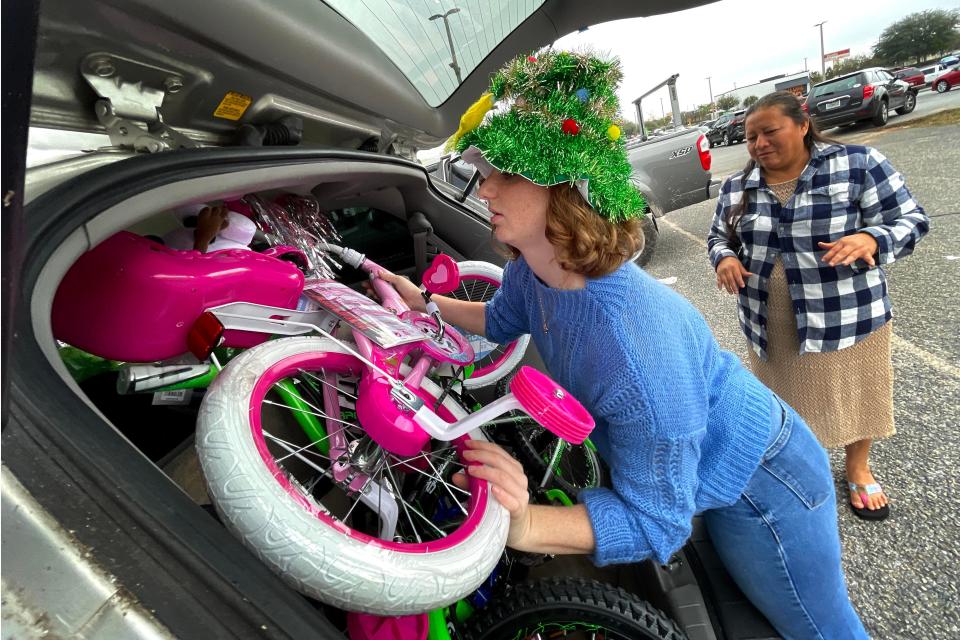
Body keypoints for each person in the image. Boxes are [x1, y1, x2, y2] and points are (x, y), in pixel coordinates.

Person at [379, 52, 869, 639]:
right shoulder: (536, 270)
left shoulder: (636, 349)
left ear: (566, 191)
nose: (483, 187)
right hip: (691, 463)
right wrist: (423, 305)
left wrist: (525, 524)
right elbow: (502, 318)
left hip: (762, 482)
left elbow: (656, 522)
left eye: (505, 172)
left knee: (814, 628)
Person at [707, 92, 929, 521]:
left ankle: (858, 466)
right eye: (751, 137)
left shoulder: (859, 164)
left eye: (770, 131)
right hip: (770, 323)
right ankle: (797, 471)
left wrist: (872, 239)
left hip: (847, 315)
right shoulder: (739, 186)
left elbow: (912, 219)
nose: (759, 144)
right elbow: (718, 237)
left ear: (803, 124)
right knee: (784, 405)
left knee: (857, 395)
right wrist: (726, 258)